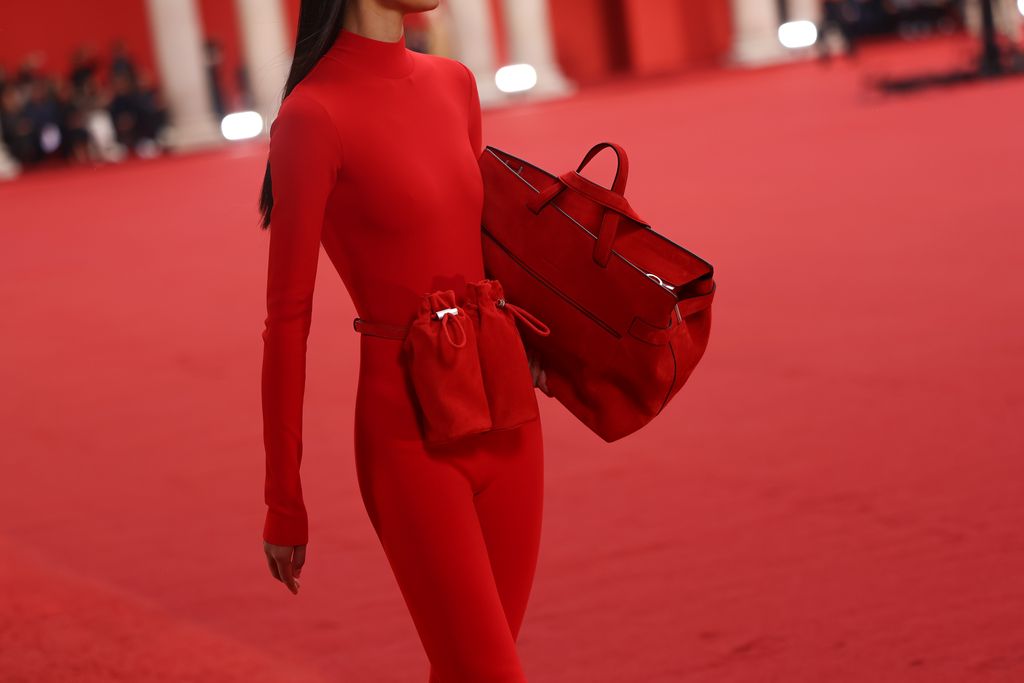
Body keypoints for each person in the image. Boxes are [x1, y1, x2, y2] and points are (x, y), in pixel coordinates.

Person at [256, 1, 550, 681]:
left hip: (508, 414)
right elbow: (287, 321)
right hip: (410, 432)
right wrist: (283, 498)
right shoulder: (311, 116)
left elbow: (489, 247)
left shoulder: (455, 83)